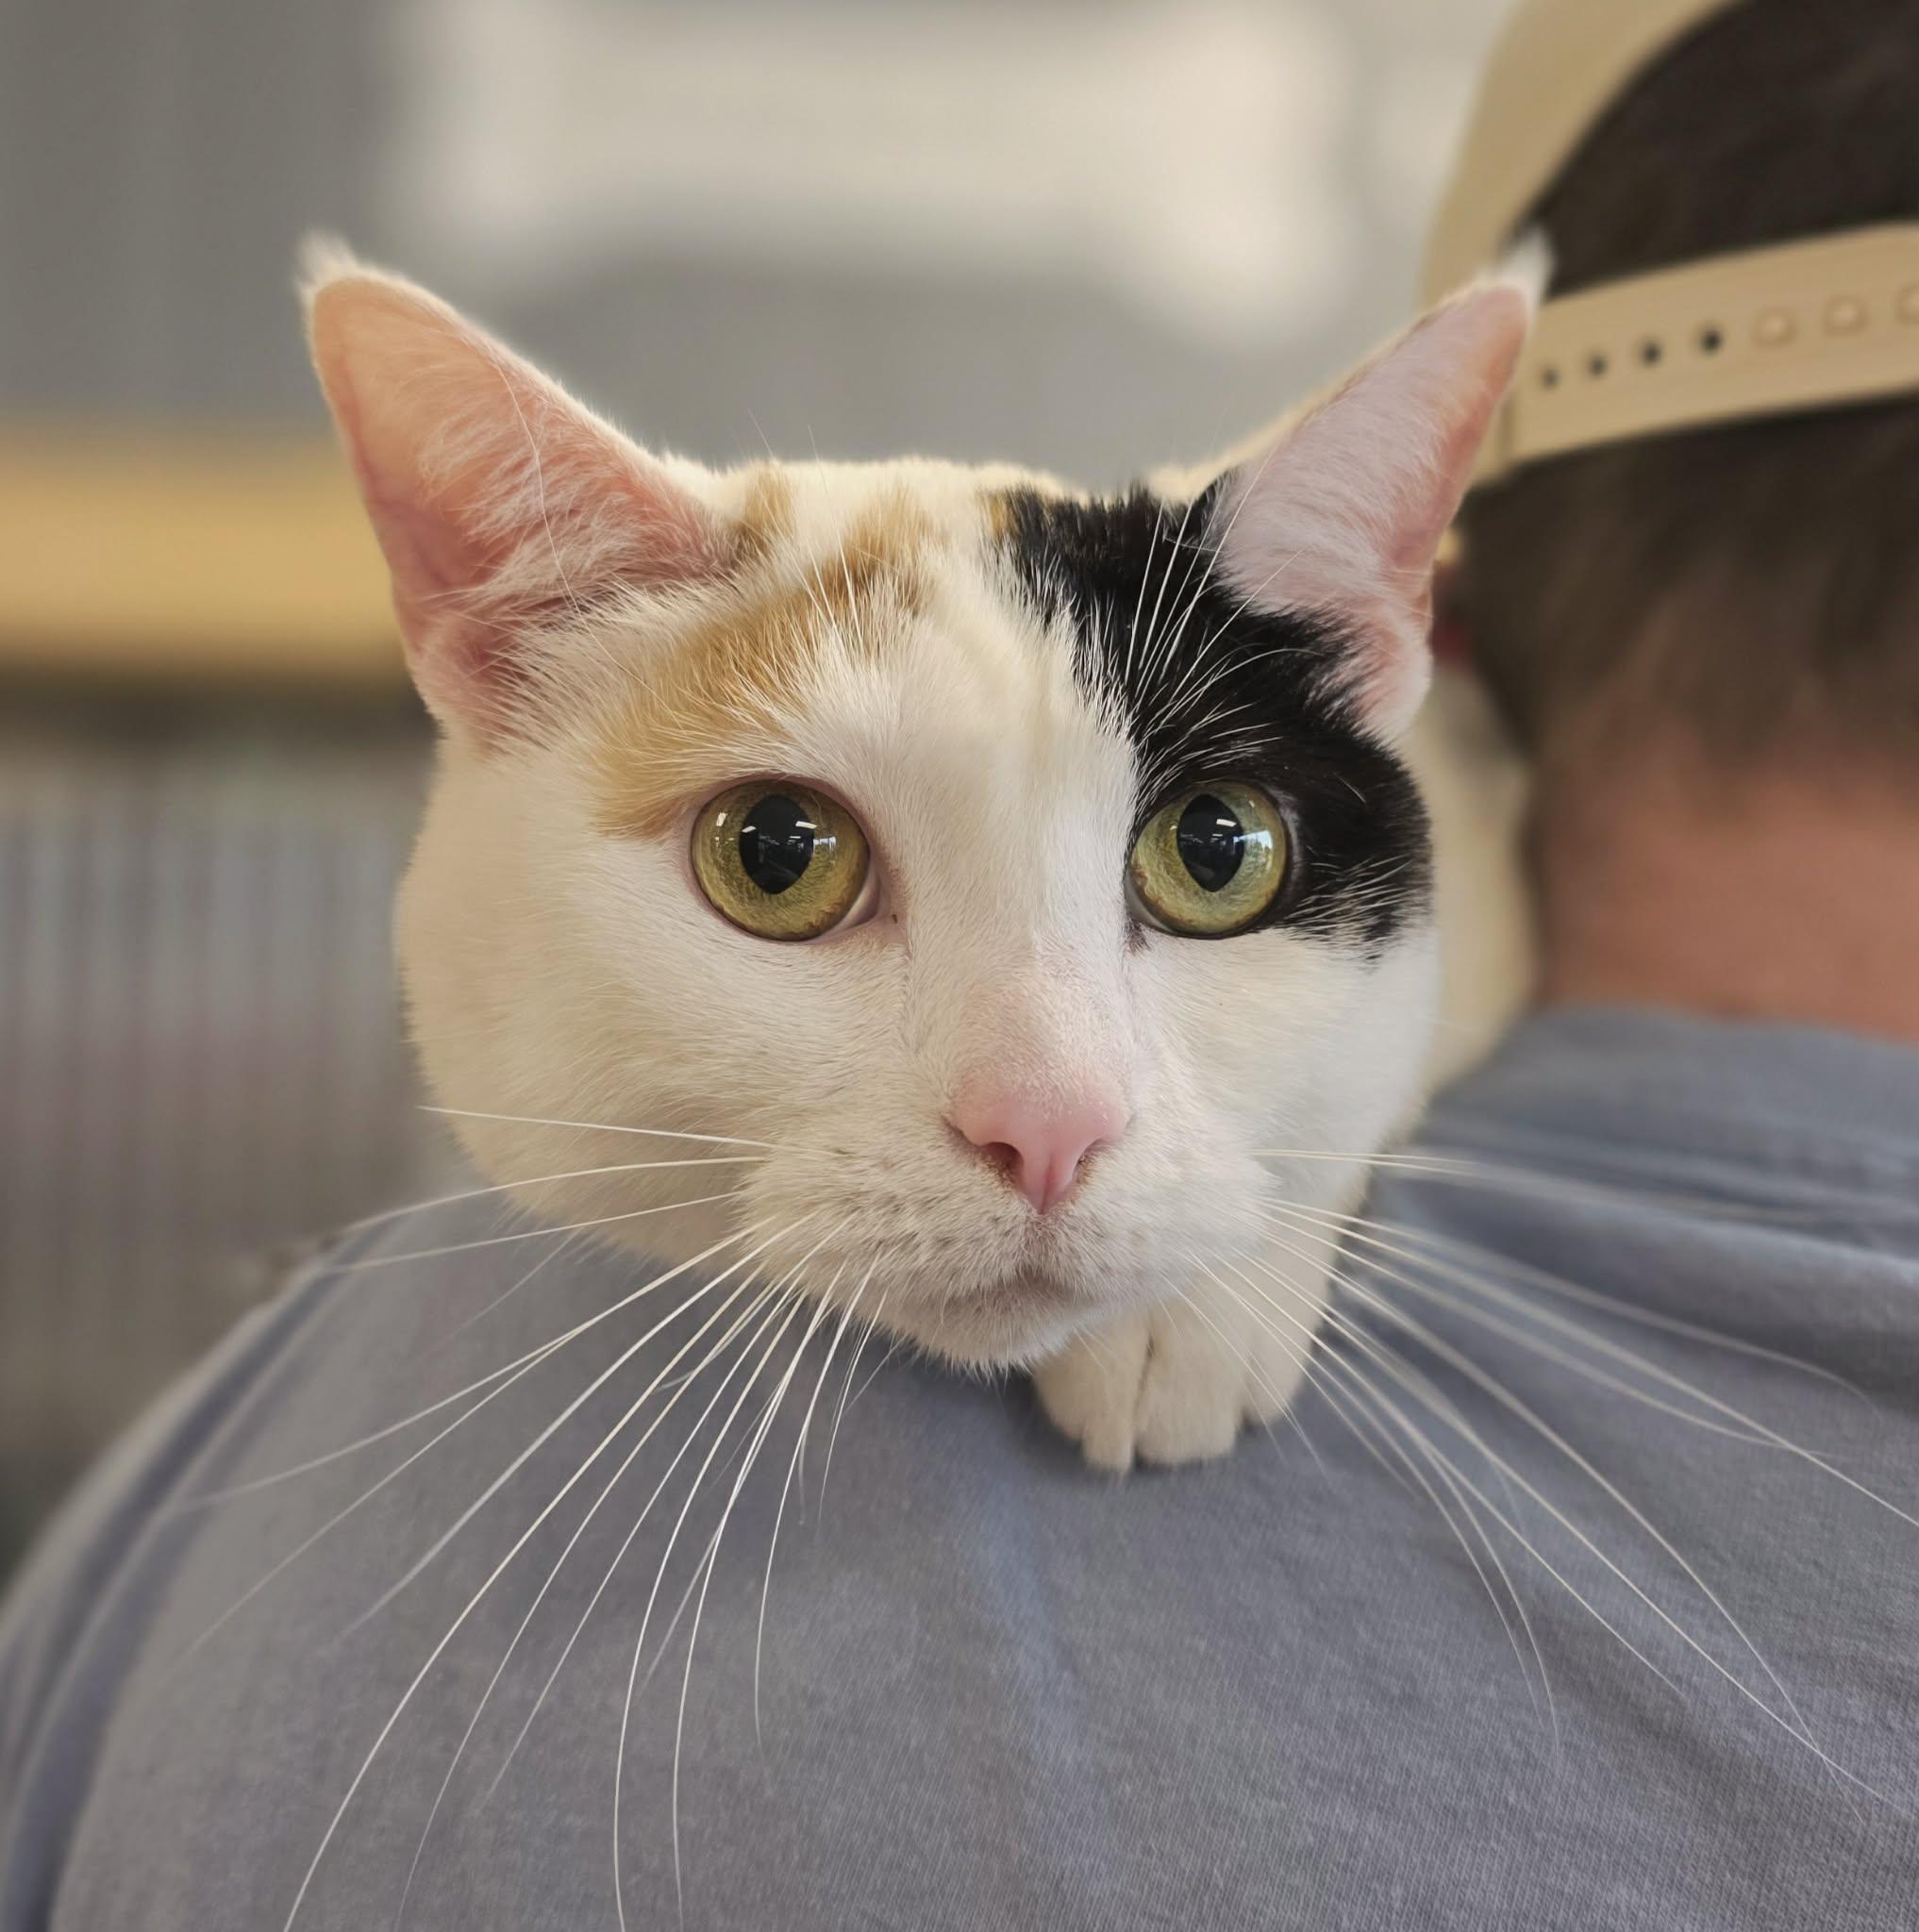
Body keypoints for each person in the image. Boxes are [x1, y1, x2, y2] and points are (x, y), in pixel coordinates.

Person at [3, 0, 1915, 1924]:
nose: (1050, 1120)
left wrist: (1285, 1193)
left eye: (1209, 857)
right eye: (782, 858)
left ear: (1466, 633)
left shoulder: (201, 1523)